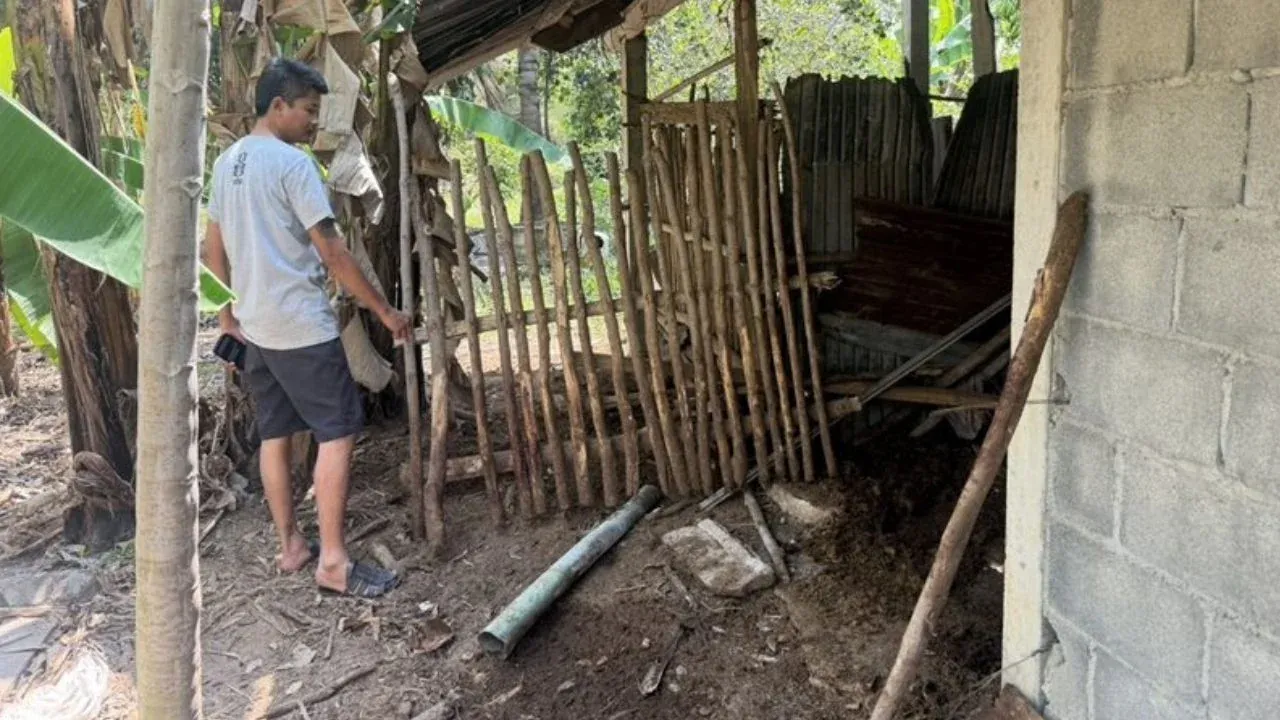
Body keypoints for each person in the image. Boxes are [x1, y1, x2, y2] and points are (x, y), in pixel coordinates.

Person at [203, 58, 408, 598]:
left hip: (255, 327)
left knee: (275, 433)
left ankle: (291, 545)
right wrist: (384, 312)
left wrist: (229, 318)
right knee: (337, 431)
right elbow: (333, 252)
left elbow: (213, 249)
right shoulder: (293, 167)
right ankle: (334, 562)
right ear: (279, 106)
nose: (314, 124)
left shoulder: (226, 164)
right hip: (300, 324)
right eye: (309, 111)